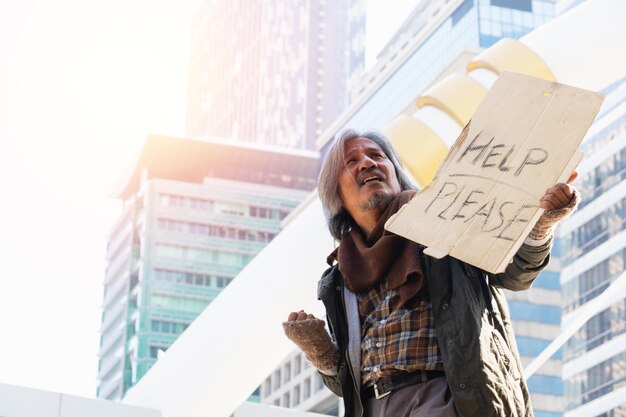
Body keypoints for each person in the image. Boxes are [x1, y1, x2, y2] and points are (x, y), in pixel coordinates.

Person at [282, 130, 579, 417]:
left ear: (396, 175)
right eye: (352, 161)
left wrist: (541, 225)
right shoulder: (339, 278)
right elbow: (346, 384)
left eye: (376, 155)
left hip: (445, 398)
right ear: (337, 194)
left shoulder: (444, 221)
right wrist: (319, 352)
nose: (368, 162)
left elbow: (514, 273)